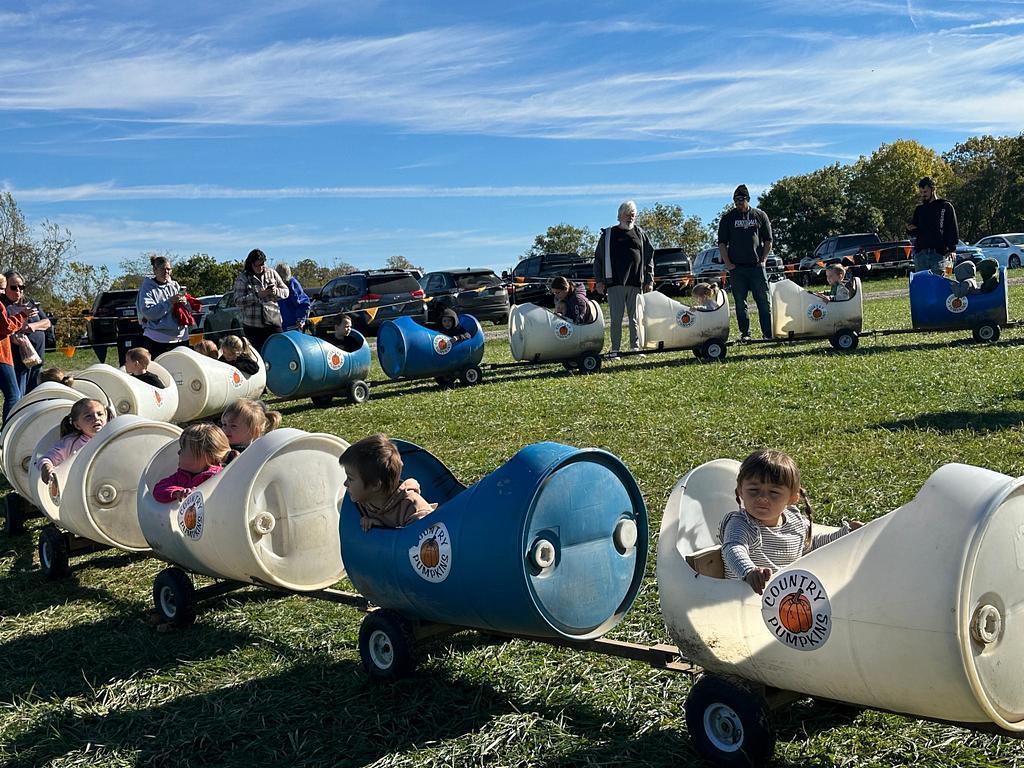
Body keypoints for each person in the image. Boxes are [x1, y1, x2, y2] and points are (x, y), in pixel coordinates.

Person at [719, 449, 862, 595]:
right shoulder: (741, 524)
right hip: (742, 602)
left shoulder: (795, 520)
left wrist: (846, 534)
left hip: (783, 601)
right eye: (754, 490)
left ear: (792, 498)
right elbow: (733, 549)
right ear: (741, 491)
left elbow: (811, 545)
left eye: (773, 492)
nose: (762, 498)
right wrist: (749, 571)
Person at [593, 200, 655, 357]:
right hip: (615, 284)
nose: (631, 217)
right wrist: (599, 281)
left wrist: (649, 280)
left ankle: (635, 348)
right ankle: (615, 350)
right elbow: (598, 259)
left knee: (635, 318)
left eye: (633, 214)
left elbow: (649, 258)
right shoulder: (608, 235)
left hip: (636, 283)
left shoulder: (640, 234)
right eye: (628, 214)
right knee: (616, 319)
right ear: (620, 215)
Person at [340, 433, 436, 531]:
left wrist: (382, 529)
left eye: (350, 479)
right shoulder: (362, 500)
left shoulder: (412, 508)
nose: (345, 483)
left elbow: (427, 536)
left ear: (375, 485)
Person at [718, 185, 774, 342]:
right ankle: (745, 334)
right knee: (740, 303)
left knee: (763, 301)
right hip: (737, 268)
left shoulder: (760, 215)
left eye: (741, 200)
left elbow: (768, 240)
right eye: (735, 201)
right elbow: (722, 243)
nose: (738, 204)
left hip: (756, 267)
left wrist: (763, 260)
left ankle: (768, 334)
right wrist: (728, 264)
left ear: (748, 199)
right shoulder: (727, 218)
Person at [153, 423, 230, 503]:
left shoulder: (218, 477)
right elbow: (158, 489)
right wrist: (177, 492)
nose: (178, 452)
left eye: (183, 449)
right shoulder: (181, 475)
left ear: (205, 456)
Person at [37, 398, 109, 483]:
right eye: (88, 416)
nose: (96, 418)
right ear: (77, 425)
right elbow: (46, 459)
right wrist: (47, 467)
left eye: (100, 414)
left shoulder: (114, 435)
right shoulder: (70, 443)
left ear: (106, 416)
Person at [3, 271, 51, 394]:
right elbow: (6, 328)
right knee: (19, 395)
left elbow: (47, 322)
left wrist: (32, 326)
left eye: (21, 287)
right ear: (5, 288)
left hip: (36, 357)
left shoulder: (30, 303)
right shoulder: (4, 307)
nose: (18, 290)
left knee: (35, 393)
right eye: (13, 287)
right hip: (18, 360)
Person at [234, 248, 288, 351]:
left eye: (263, 264)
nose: (261, 268)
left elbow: (286, 292)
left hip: (273, 321)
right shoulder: (243, 278)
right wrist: (257, 295)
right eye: (257, 265)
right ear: (251, 264)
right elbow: (238, 301)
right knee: (259, 354)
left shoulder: (272, 273)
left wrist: (275, 291)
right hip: (253, 326)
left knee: (280, 350)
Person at [136, 255, 190, 358]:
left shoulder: (175, 285)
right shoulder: (147, 288)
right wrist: (170, 302)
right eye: (163, 269)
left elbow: (188, 310)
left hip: (181, 338)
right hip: (157, 339)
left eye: (169, 269)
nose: (166, 272)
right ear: (154, 270)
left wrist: (185, 302)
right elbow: (148, 313)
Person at [908, 177, 959, 275]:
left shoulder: (945, 206)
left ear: (933, 189)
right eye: (921, 192)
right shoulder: (919, 209)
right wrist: (910, 229)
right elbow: (914, 230)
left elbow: (952, 228)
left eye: (925, 192)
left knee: (939, 283)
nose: (923, 195)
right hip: (921, 254)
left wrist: (951, 249)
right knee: (923, 284)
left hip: (939, 254)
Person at [0, 272, 27, 423]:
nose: (2, 292)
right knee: (13, 394)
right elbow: (6, 327)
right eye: (1, 288)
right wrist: (22, 316)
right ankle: (8, 430)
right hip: (1, 355)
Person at [275, 263, 312, 331]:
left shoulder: (292, 284)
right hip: (279, 325)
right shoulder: (275, 286)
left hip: (293, 325)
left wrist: (301, 319)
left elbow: (303, 303)